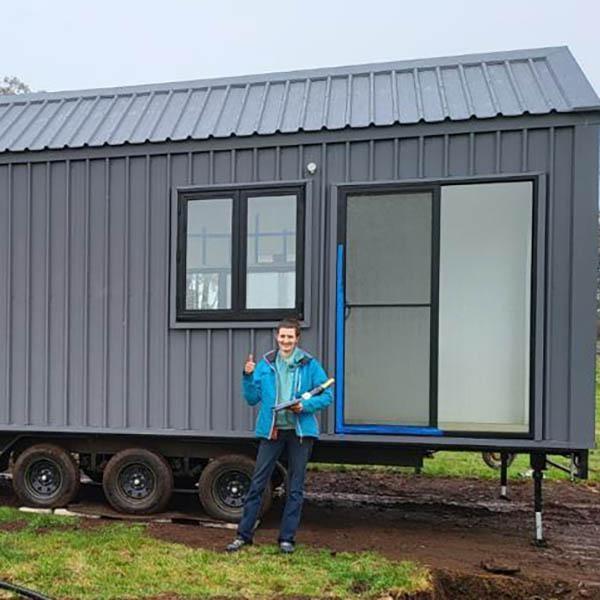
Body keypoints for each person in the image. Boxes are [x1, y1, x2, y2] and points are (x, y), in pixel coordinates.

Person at [226, 317, 333, 554]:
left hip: (300, 433)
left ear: (297, 338)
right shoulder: (265, 363)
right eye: (282, 336)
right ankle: (243, 536)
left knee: (295, 488)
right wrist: (247, 376)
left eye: (290, 337)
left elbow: (327, 395)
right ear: (277, 337)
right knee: (257, 484)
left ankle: (287, 539)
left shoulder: (309, 364)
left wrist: (304, 406)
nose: (286, 340)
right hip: (271, 431)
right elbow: (252, 398)